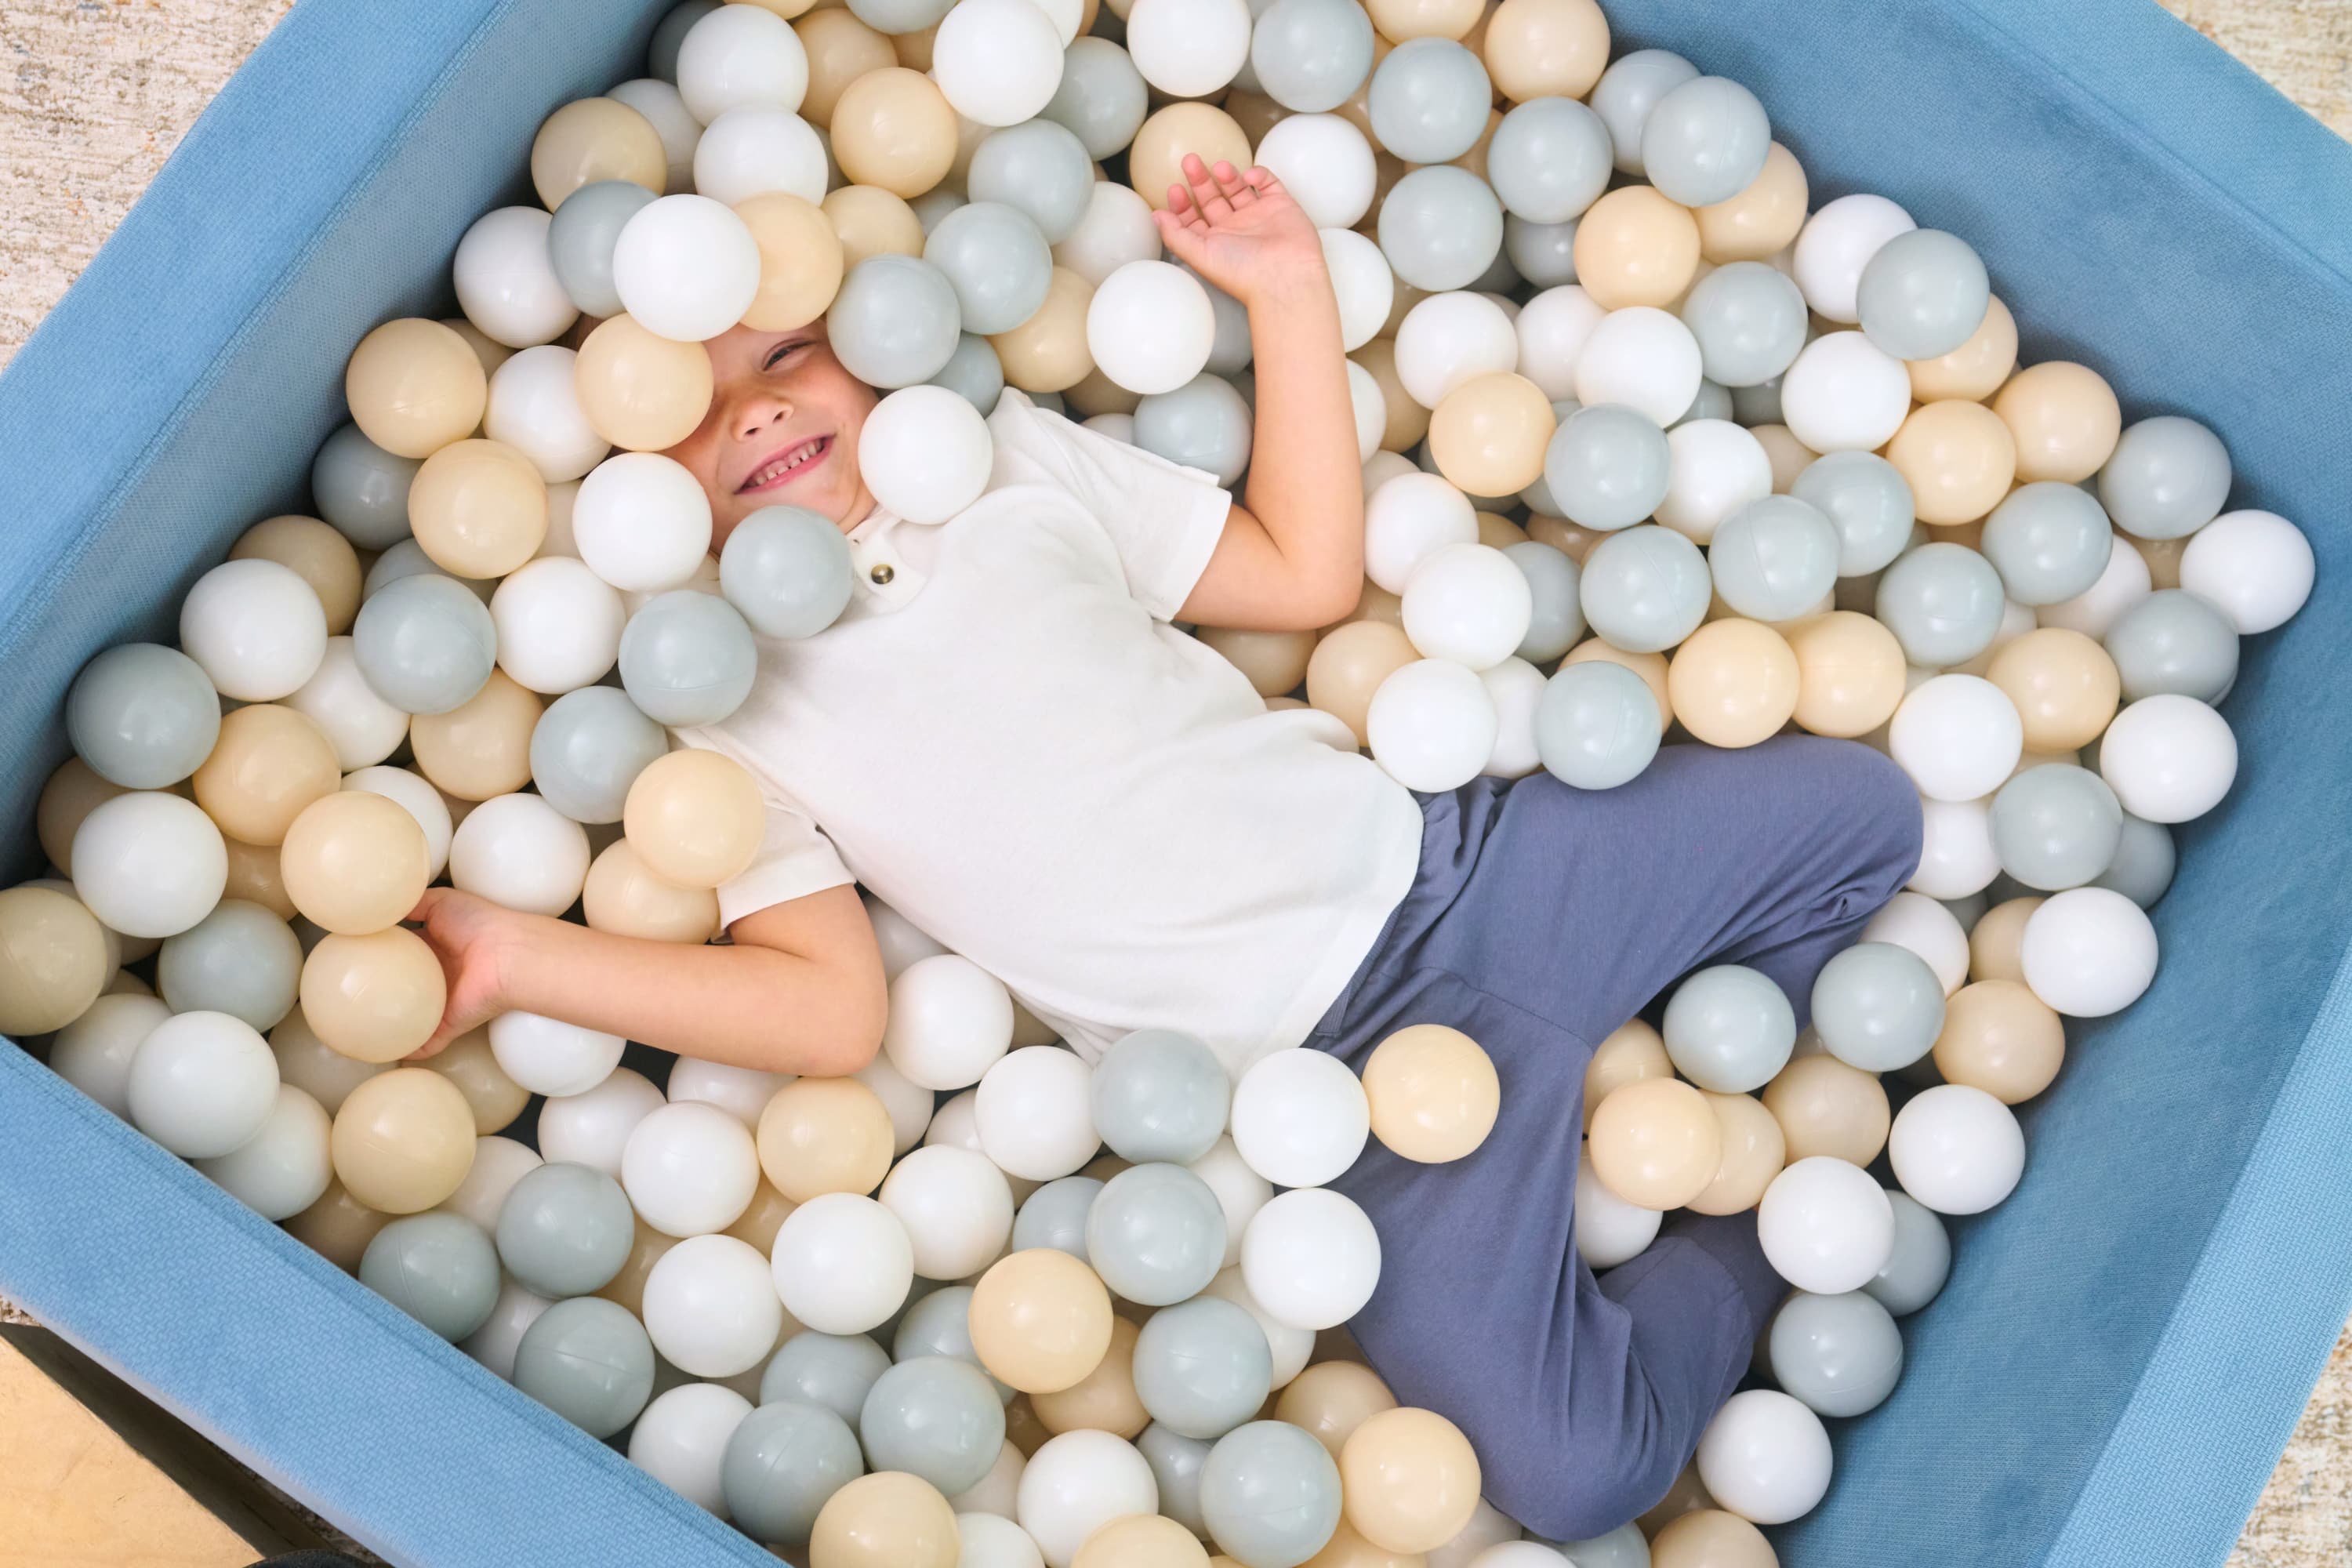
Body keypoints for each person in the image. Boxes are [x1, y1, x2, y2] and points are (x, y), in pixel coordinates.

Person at [407, 155, 1921, 1541]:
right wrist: (523, 953)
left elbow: (1306, 572)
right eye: (684, 405)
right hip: (1338, 1118)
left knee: (1866, 818)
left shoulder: (1000, 466)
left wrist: (1288, 291)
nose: (752, 410)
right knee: (1581, 1472)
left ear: (870, 342)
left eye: (783, 354)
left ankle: (1726, 1070)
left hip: (1474, 880)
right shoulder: (723, 711)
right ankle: (1761, 1216)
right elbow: (826, 1007)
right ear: (624, 494)